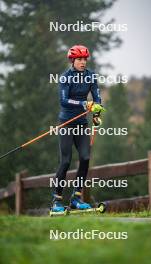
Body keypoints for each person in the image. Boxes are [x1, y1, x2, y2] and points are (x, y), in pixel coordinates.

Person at [51, 44, 103, 212]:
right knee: (65, 161)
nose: (82, 62)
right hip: (66, 123)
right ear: (72, 60)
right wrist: (83, 103)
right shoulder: (66, 77)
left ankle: (76, 198)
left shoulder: (91, 76)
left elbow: (97, 98)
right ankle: (57, 201)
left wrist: (97, 112)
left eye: (84, 59)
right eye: (79, 59)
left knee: (85, 158)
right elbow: (63, 101)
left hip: (81, 123)